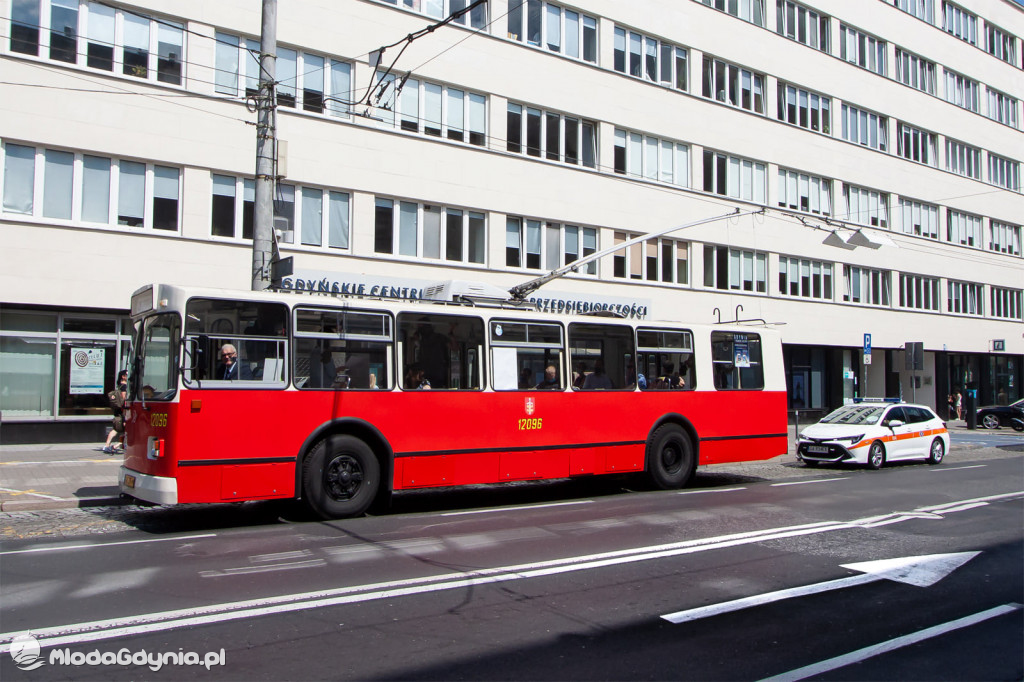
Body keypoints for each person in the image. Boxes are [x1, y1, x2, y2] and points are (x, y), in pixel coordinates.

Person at [103, 370, 128, 454]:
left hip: (118, 410)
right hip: (122, 410)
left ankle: (107, 445)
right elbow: (124, 398)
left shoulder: (119, 386)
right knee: (124, 428)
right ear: (123, 377)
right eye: (127, 375)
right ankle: (117, 445)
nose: (128, 377)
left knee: (116, 428)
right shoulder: (124, 386)